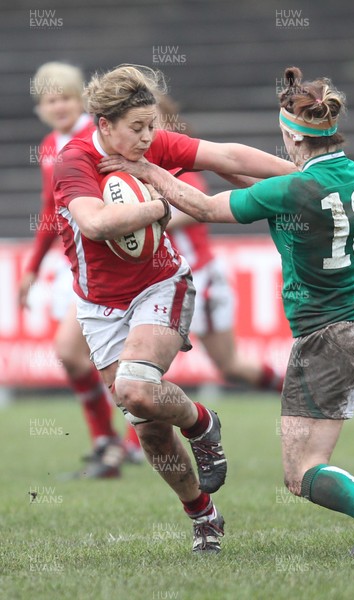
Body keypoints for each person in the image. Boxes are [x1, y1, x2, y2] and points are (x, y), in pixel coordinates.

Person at [114, 66, 354, 557]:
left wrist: (145, 170)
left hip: (326, 337)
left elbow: (206, 210)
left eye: (284, 136)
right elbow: (264, 183)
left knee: (301, 471)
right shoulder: (346, 171)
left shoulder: (296, 189)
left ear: (292, 135)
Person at [53, 63, 295, 553]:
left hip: (162, 284)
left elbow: (224, 154)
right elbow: (96, 225)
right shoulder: (73, 161)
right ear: (105, 127)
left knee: (137, 389)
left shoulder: (149, 146)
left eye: (152, 126)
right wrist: (160, 204)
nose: (149, 137)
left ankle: (202, 424)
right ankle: (202, 512)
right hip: (99, 306)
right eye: (137, 128)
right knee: (150, 428)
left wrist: (306, 175)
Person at [19, 61, 143, 479]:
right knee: (76, 356)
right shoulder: (51, 146)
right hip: (80, 265)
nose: (59, 106)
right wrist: (32, 268)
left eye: (67, 97)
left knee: (94, 356)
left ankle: (128, 442)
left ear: (83, 100)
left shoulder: (101, 137)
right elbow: (50, 212)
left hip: (112, 263)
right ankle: (112, 443)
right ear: (41, 107)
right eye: (50, 100)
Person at [158, 96, 284, 393]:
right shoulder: (131, 171)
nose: (146, 132)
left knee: (230, 365)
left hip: (197, 278)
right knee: (143, 366)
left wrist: (146, 218)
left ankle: (299, 390)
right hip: (160, 282)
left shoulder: (178, 165)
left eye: (153, 123)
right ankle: (131, 439)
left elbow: (199, 207)